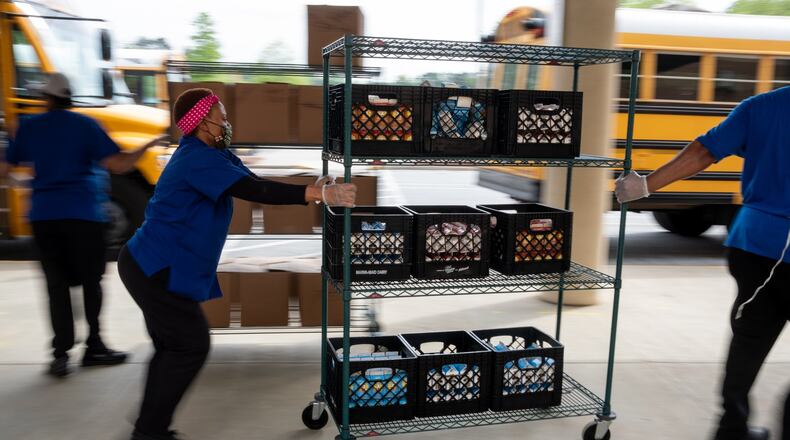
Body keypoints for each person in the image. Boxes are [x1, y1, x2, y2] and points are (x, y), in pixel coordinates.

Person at [118, 88, 356, 440]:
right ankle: (150, 430)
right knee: (190, 345)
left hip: (150, 263)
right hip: (154, 267)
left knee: (172, 346)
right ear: (202, 122)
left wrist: (310, 189)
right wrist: (316, 194)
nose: (227, 122)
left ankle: (149, 425)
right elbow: (254, 193)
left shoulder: (216, 154)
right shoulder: (195, 158)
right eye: (222, 116)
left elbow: (255, 182)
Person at [615, 86, 790, 440]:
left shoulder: (760, 106)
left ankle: (732, 428)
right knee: (749, 337)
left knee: (749, 339)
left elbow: (703, 151)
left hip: (755, 245)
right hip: (765, 246)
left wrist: (646, 186)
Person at [3, 73, 168, 378]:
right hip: (84, 215)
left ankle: (60, 355)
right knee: (92, 283)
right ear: (69, 96)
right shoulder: (87, 125)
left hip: (44, 217)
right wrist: (150, 144)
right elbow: (119, 164)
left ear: (46, 98)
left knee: (56, 286)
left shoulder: (27, 127)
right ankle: (94, 346)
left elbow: (5, 171)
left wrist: (25, 181)